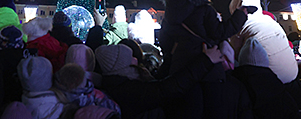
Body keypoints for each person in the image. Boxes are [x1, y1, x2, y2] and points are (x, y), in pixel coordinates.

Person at [159, 0, 248, 76]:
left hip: (178, 64)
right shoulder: (203, 9)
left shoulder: (169, 12)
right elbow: (219, 32)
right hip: (205, 63)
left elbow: (164, 38)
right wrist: (239, 15)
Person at [95, 43, 224, 119]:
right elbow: (164, 89)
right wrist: (206, 60)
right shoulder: (127, 90)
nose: (136, 59)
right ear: (121, 65)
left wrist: (170, 58)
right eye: (131, 58)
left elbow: (157, 84)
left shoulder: (121, 84)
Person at [229, 0, 298, 84]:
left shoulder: (239, 25)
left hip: (269, 78)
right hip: (292, 72)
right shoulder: (269, 20)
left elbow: (233, 53)